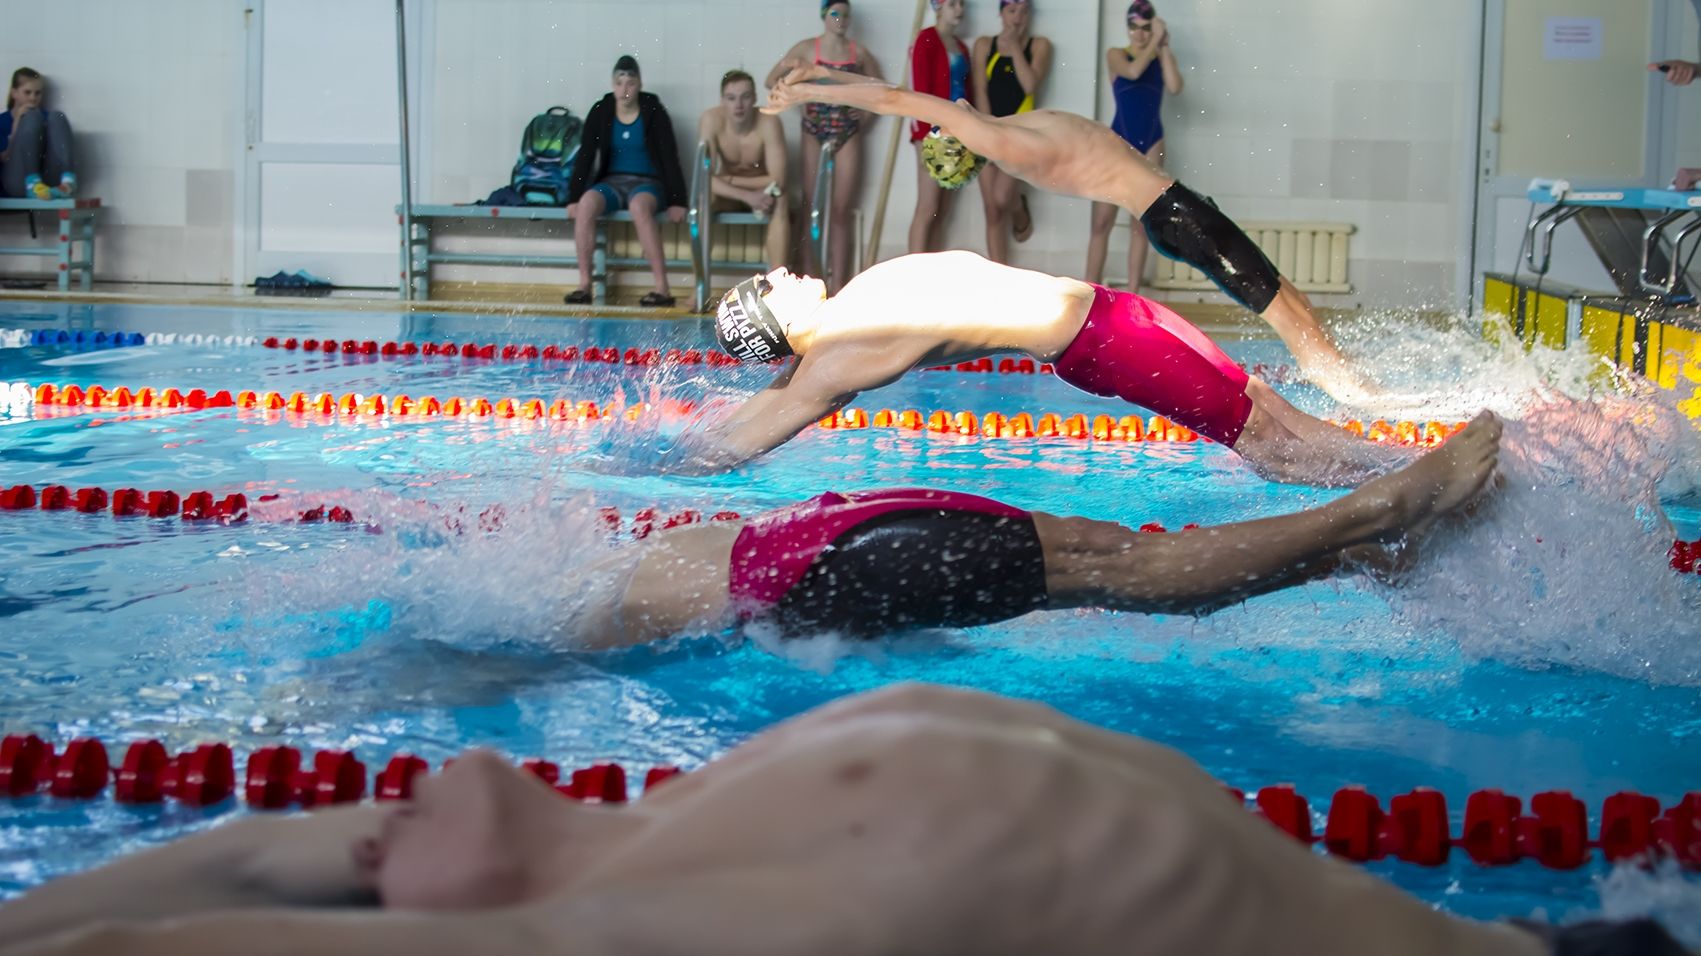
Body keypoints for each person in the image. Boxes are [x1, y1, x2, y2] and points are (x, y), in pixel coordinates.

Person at [1, 681, 1685, 956]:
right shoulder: (716, 912)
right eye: (371, 867)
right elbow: (175, 929)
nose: (359, 831)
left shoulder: (658, 833)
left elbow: (231, 863)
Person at [764, 62, 1386, 405]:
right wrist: (810, 92)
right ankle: (1355, 396)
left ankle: (1351, 382)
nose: (943, 121)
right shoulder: (997, 138)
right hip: (1174, 215)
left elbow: (898, 94)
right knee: (1283, 311)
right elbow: (898, 98)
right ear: (957, 145)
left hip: (1173, 212)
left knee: (1288, 299)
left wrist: (818, 72)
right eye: (943, 128)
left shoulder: (1002, 125)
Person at [689, 254, 1415, 486]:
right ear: (772, 322)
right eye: (767, 284)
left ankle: (1407, 466)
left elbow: (778, 388)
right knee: (1270, 448)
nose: (779, 270)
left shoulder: (844, 314)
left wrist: (689, 438)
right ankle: (1414, 489)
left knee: (1264, 401)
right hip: (1105, 344)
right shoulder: (845, 349)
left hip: (1116, 312)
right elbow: (788, 405)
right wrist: (685, 468)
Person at [766, 1, 883, 293]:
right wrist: (797, 100)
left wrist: (865, 114)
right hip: (814, 130)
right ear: (823, 17)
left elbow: (881, 91)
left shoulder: (859, 53)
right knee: (810, 206)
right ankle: (809, 279)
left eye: (846, 15)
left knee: (842, 210)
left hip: (847, 131)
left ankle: (839, 284)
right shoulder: (807, 49)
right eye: (835, 14)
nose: (841, 20)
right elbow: (771, 80)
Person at [565, 56, 689, 308]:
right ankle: (584, 284)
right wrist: (574, 198)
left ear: (640, 84)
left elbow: (669, 157)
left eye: (630, 82)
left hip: (648, 184)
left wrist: (678, 200)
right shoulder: (601, 111)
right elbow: (585, 156)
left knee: (639, 207)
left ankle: (662, 288)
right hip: (612, 183)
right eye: (619, 83)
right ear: (612, 85)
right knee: (588, 203)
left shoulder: (653, 111)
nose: (625, 89)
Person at [1087, 0, 1181, 295]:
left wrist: (1163, 46)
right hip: (1118, 142)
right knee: (1102, 221)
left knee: (1141, 224)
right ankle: (1086, 289)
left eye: (1145, 28)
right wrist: (1155, 38)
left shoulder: (1159, 57)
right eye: (1134, 28)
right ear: (1127, 28)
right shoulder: (1116, 55)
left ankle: (1133, 294)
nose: (1139, 35)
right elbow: (1133, 72)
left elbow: (1176, 86)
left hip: (1152, 141)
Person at [970, 0, 1050, 263]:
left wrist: (1015, 46)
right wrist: (987, 132)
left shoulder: (1039, 46)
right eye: (1012, 11)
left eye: (1024, 11)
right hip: (989, 130)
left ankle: (1019, 208)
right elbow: (980, 90)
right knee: (992, 209)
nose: (1018, 17)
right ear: (1000, 13)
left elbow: (1029, 86)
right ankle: (998, 276)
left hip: (1021, 135)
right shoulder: (984, 45)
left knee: (1003, 197)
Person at [698, 70, 791, 271]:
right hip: (737, 194)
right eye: (731, 98)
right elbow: (704, 179)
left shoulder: (769, 122)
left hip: (765, 195)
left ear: (755, 99)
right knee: (703, 199)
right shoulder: (711, 120)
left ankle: (777, 284)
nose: (738, 105)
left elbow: (779, 179)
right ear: (722, 100)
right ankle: (700, 285)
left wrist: (728, 179)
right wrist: (747, 196)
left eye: (745, 97)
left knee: (782, 199)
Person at [908, 0, 971, 254]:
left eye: (961, 4)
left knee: (942, 210)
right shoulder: (926, 39)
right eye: (953, 4)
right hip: (931, 132)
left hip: (957, 133)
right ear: (938, 7)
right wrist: (926, 136)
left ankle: (930, 272)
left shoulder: (961, 47)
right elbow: (920, 92)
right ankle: (912, 273)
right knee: (928, 205)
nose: (959, 10)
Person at [0, 68, 76, 201]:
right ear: (14, 93)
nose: (33, 98)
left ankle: (68, 180)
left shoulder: (46, 118)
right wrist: (17, 125)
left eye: (37, 93)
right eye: (27, 92)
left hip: (47, 181)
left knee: (57, 116)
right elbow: (4, 158)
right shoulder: (2, 121)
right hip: (17, 182)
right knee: (31, 118)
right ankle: (32, 183)